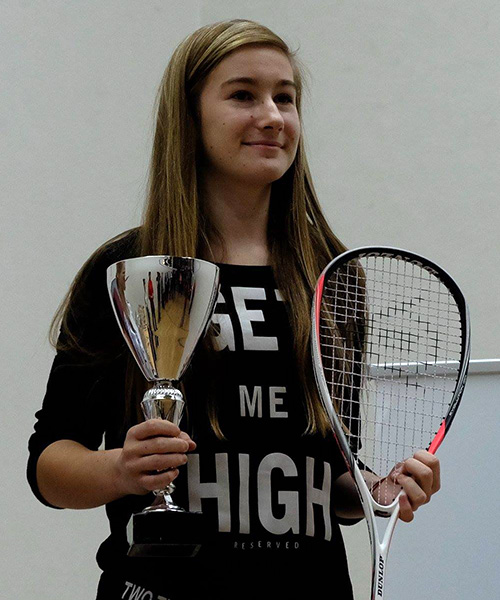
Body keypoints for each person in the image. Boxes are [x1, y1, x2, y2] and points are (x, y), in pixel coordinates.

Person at [27, 19, 441, 600]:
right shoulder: (131, 269)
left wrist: (378, 490)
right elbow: (49, 465)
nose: (272, 116)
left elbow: (331, 470)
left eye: (286, 98)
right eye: (243, 95)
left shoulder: (332, 276)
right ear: (190, 117)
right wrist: (120, 470)